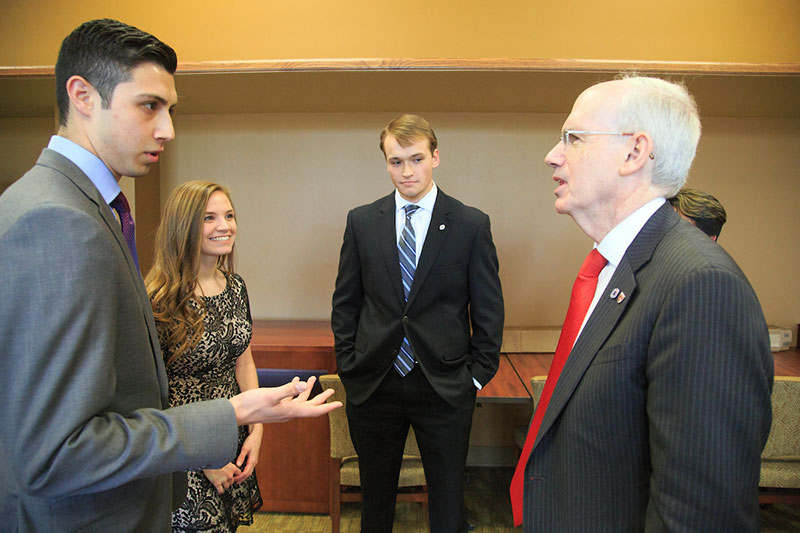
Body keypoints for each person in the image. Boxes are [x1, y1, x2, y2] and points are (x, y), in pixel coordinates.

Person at [0, 19, 340, 532]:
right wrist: (230, 415)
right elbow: (55, 453)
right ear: (83, 96)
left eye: (170, 110)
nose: (167, 129)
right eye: (148, 106)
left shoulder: (78, 206)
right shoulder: (59, 221)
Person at [510, 76, 773, 531]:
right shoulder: (617, 266)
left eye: (573, 138)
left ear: (634, 153)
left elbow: (699, 514)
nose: (553, 155)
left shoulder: (700, 284)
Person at [331, 114, 504, 532]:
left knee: (447, 502)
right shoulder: (361, 221)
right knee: (376, 501)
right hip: (374, 383)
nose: (406, 172)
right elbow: (346, 303)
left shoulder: (469, 223)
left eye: (415, 159)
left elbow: (488, 310)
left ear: (435, 157)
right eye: (395, 161)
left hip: (444, 385)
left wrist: (476, 378)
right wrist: (350, 367)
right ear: (385, 162)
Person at [145, 181, 263, 531]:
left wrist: (257, 430)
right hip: (186, 450)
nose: (224, 226)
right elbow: (153, 393)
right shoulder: (159, 299)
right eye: (209, 218)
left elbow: (244, 362)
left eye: (228, 215)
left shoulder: (236, 285)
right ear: (184, 227)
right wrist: (201, 456)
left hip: (233, 435)